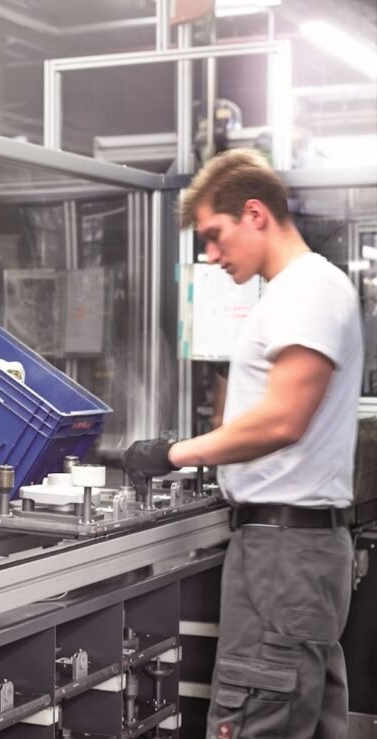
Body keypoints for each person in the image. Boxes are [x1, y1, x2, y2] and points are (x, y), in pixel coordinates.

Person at [123, 149, 361, 739]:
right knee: (299, 715)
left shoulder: (306, 290)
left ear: (255, 213)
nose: (211, 254)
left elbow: (282, 421)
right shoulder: (297, 291)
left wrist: (171, 454)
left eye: (214, 234)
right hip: (294, 549)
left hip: (283, 551)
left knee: (253, 713)